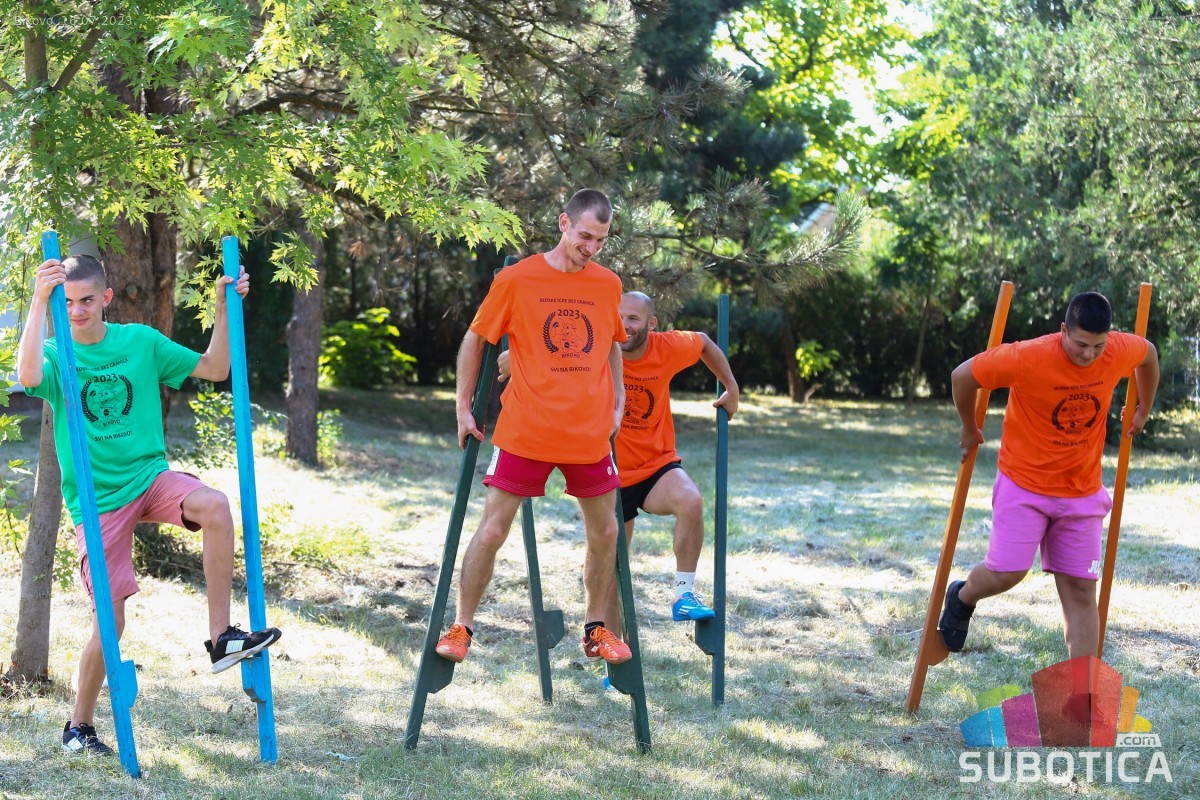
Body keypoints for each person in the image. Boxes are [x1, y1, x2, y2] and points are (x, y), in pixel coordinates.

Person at [17, 254, 282, 756]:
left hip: (148, 476)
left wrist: (224, 308)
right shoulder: (55, 353)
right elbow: (27, 377)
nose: (77, 311)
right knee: (111, 623)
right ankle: (79, 727)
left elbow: (215, 367)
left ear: (106, 298)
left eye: (86, 300)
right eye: (66, 303)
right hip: (97, 501)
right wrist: (37, 301)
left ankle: (222, 638)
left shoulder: (140, 341)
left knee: (215, 506)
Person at [433, 189, 632, 667]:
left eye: (601, 240)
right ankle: (461, 626)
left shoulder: (608, 284)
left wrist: (619, 399)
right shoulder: (518, 279)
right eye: (585, 236)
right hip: (527, 428)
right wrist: (463, 406)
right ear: (563, 223)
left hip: (588, 434)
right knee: (492, 529)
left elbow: (611, 342)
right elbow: (475, 340)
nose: (591, 248)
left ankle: (596, 629)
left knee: (606, 530)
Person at [938, 291, 1159, 659]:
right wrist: (968, 427)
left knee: (1082, 592)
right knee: (1007, 573)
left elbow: (1148, 354)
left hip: (1082, 490)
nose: (1089, 354)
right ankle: (962, 597)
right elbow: (962, 376)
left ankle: (1082, 690)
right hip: (1024, 483)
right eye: (1081, 344)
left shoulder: (1118, 350)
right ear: (1063, 330)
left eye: (1098, 346)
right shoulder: (1028, 356)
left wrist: (1143, 409)